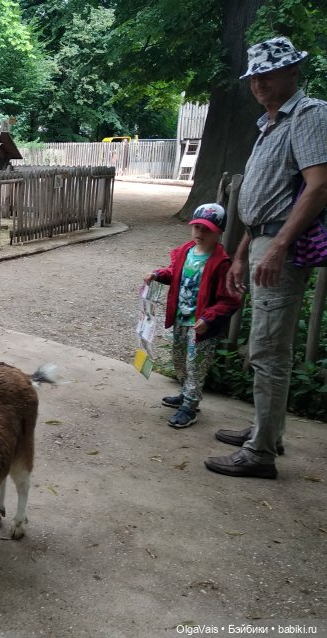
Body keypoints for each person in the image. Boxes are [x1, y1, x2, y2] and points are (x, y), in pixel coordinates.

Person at [205, 37, 327, 479]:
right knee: (267, 344)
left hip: (281, 246)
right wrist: (242, 252)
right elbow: (264, 202)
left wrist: (276, 247)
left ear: (293, 72)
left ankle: (260, 455)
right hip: (261, 241)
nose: (258, 82)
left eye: (268, 73)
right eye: (254, 74)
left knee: (269, 350)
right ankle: (266, 431)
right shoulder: (268, 123)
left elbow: (318, 187)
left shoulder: (310, 115)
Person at [144, 203, 241, 428]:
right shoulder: (186, 252)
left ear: (219, 232)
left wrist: (209, 318)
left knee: (196, 364)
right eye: (196, 227)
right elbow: (174, 273)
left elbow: (229, 300)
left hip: (201, 326)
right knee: (179, 359)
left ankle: (191, 405)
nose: (200, 233)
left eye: (207, 229)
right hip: (180, 319)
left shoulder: (221, 263)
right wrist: (158, 275)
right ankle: (185, 393)